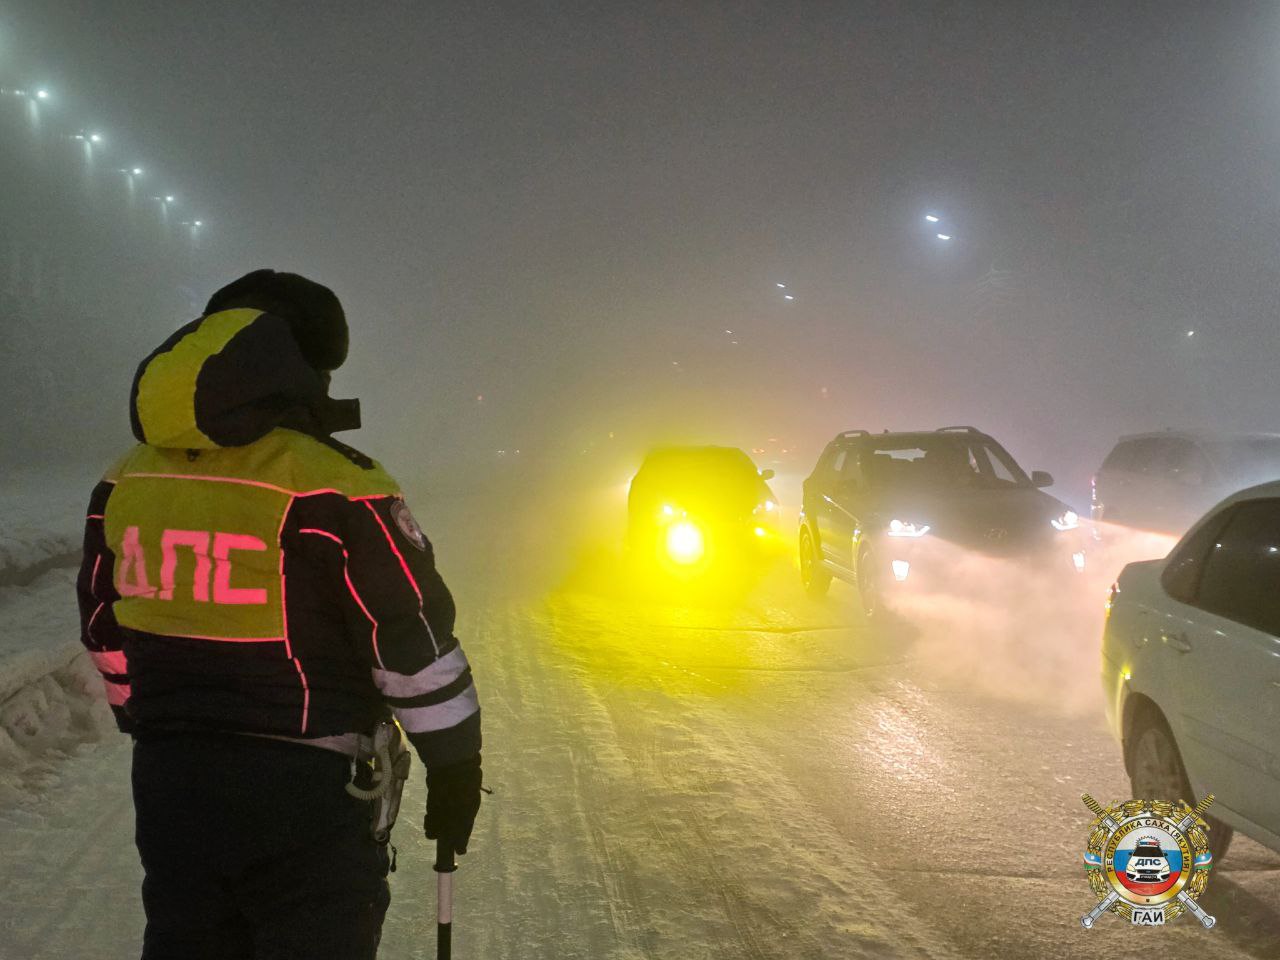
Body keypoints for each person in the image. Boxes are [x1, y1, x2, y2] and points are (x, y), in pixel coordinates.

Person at [75, 270, 482, 959]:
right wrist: (454, 765)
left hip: (171, 780)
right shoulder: (335, 482)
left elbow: (103, 628)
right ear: (303, 367)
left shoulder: (127, 477)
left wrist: (150, 718)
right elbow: (407, 641)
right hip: (308, 795)